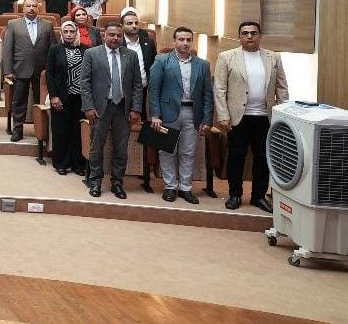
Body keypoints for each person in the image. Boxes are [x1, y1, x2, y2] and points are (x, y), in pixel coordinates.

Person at [214, 21, 288, 212]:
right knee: (236, 157)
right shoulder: (227, 57)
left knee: (263, 158)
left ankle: (258, 196)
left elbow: (281, 88)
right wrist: (223, 116)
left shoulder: (273, 57)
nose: (249, 36)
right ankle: (235, 195)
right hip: (238, 117)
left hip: (265, 117)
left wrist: (282, 115)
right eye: (245, 33)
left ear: (260, 36)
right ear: (239, 36)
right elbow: (220, 89)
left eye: (253, 33)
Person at [147, 27, 214, 204]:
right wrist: (155, 115)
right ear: (174, 41)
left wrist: (207, 119)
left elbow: (208, 94)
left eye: (188, 40)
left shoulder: (202, 64)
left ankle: (185, 188)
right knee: (167, 150)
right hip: (167, 113)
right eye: (181, 39)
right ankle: (170, 186)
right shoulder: (162, 60)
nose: (185, 43)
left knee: (188, 152)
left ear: (192, 41)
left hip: (193, 113)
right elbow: (153, 90)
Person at [79, 22, 144, 199]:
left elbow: (137, 84)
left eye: (118, 35)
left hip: (123, 108)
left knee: (121, 149)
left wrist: (136, 108)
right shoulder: (92, 54)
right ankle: (95, 182)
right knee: (96, 147)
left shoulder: (131, 55)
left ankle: (117, 183)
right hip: (100, 108)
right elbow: (84, 83)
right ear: (104, 35)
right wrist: (88, 107)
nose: (115, 38)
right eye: (112, 35)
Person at [2, 0, 57, 142]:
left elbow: (53, 50)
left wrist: (51, 71)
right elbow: (7, 49)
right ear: (23, 8)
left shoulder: (47, 25)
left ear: (38, 8)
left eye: (34, 6)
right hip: (20, 69)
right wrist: (8, 70)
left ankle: (42, 131)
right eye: (28, 6)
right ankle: (17, 130)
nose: (31, 8)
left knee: (41, 103)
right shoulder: (13, 24)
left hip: (42, 71)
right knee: (19, 102)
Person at [45, 21, 89, 176]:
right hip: (61, 97)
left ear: (77, 33)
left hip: (80, 98)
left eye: (72, 31)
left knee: (78, 132)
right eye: (66, 32)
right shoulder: (55, 50)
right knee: (61, 131)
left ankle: (78, 164)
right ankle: (61, 163)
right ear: (62, 34)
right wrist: (54, 96)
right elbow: (49, 74)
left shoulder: (86, 50)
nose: (69, 34)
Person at [121, 11, 157, 91]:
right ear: (122, 26)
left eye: (136, 23)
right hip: (122, 90)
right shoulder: (118, 44)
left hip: (143, 89)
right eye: (130, 23)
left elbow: (153, 65)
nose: (134, 26)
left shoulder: (148, 43)